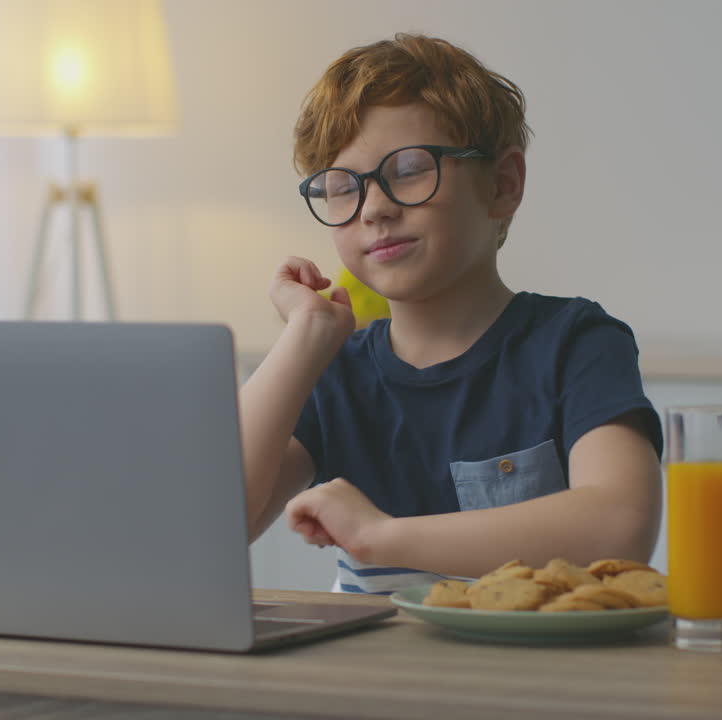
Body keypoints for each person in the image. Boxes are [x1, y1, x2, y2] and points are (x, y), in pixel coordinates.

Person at [238, 33, 663, 593]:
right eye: (343, 187)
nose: (376, 208)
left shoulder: (576, 343)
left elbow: (620, 523)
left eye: (411, 169)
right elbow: (210, 527)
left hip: (546, 677)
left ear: (503, 185)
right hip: (366, 676)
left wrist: (381, 537)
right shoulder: (332, 371)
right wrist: (303, 337)